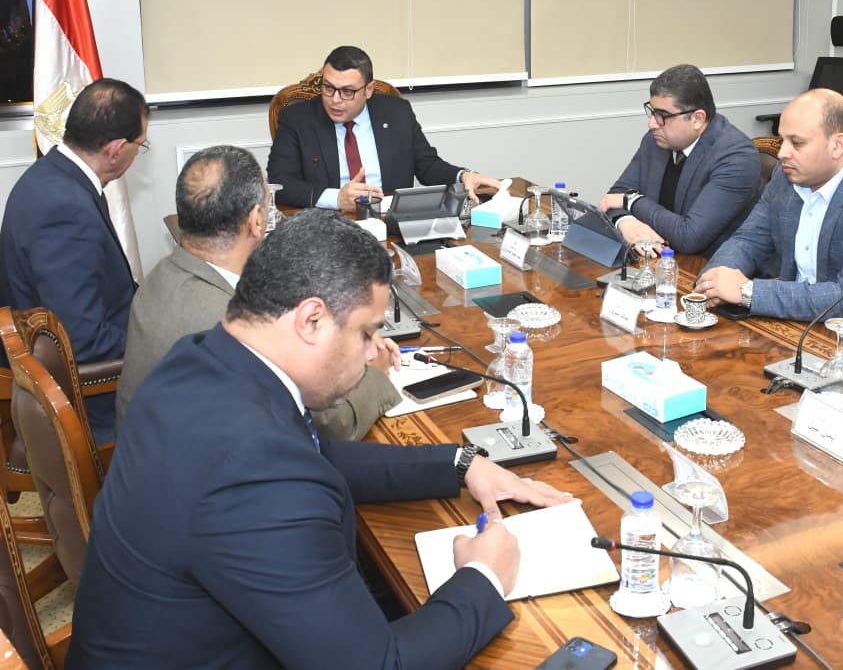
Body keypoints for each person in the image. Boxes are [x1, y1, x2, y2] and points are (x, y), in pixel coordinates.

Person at [68, 210, 572, 668]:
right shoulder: (256, 474)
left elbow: (311, 454)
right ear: (311, 320)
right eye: (367, 332)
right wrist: (484, 576)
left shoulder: (202, 357)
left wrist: (460, 464)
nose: (375, 352)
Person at [115, 145, 401, 440]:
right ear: (256, 221)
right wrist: (375, 372)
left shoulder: (162, 274)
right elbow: (328, 426)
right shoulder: (230, 327)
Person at [695, 89, 843, 335]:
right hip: (795, 325)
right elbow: (747, 241)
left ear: (837, 145)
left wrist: (747, 292)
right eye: (781, 140)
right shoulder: (786, 178)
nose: (782, 153)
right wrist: (713, 281)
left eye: (797, 143)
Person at [0, 78, 148, 443]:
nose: (137, 155)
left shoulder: (57, 177)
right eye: (140, 146)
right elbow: (83, 341)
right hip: (90, 400)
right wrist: (158, 338)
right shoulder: (64, 208)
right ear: (116, 149)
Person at [267, 45, 501, 210]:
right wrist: (336, 198)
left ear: (368, 90)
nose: (335, 100)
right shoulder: (297, 119)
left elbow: (427, 165)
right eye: (328, 88)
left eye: (347, 91)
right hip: (328, 224)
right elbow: (280, 182)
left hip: (390, 223)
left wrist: (462, 176)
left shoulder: (396, 112)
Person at [598, 64, 760, 256]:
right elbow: (613, 197)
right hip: (658, 260)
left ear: (697, 119)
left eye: (662, 116)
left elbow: (690, 237)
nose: (652, 123)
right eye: (652, 112)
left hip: (707, 266)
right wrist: (626, 222)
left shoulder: (736, 157)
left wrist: (632, 201)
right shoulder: (655, 141)